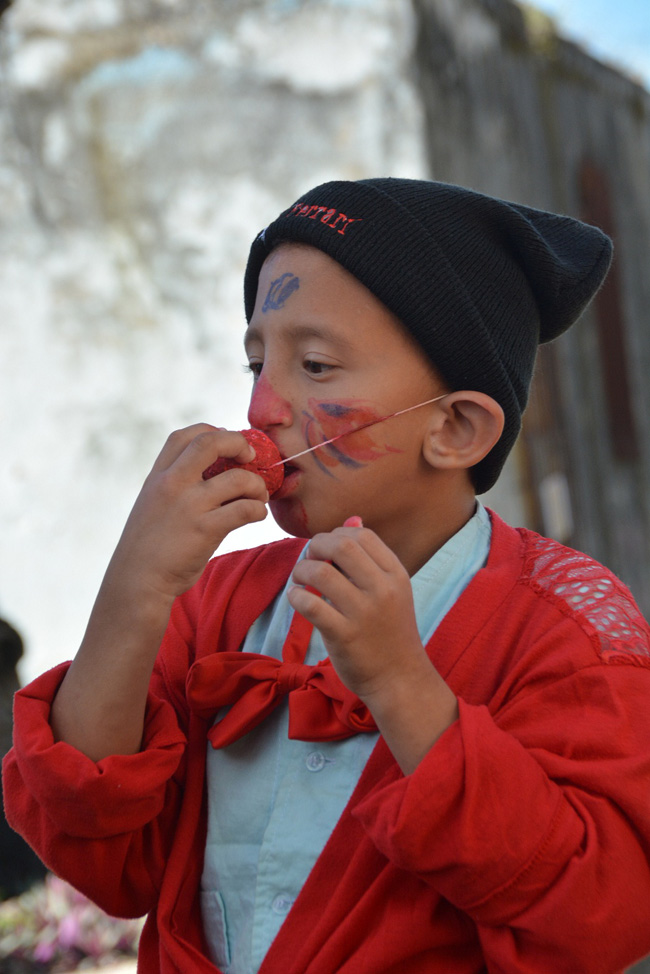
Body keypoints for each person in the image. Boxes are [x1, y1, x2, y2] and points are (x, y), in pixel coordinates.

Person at [4, 178, 650, 974]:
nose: (265, 406)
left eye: (314, 364)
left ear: (455, 428)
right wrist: (136, 585)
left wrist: (402, 686)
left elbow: (599, 916)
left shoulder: (568, 626)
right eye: (255, 364)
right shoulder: (219, 602)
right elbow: (103, 856)